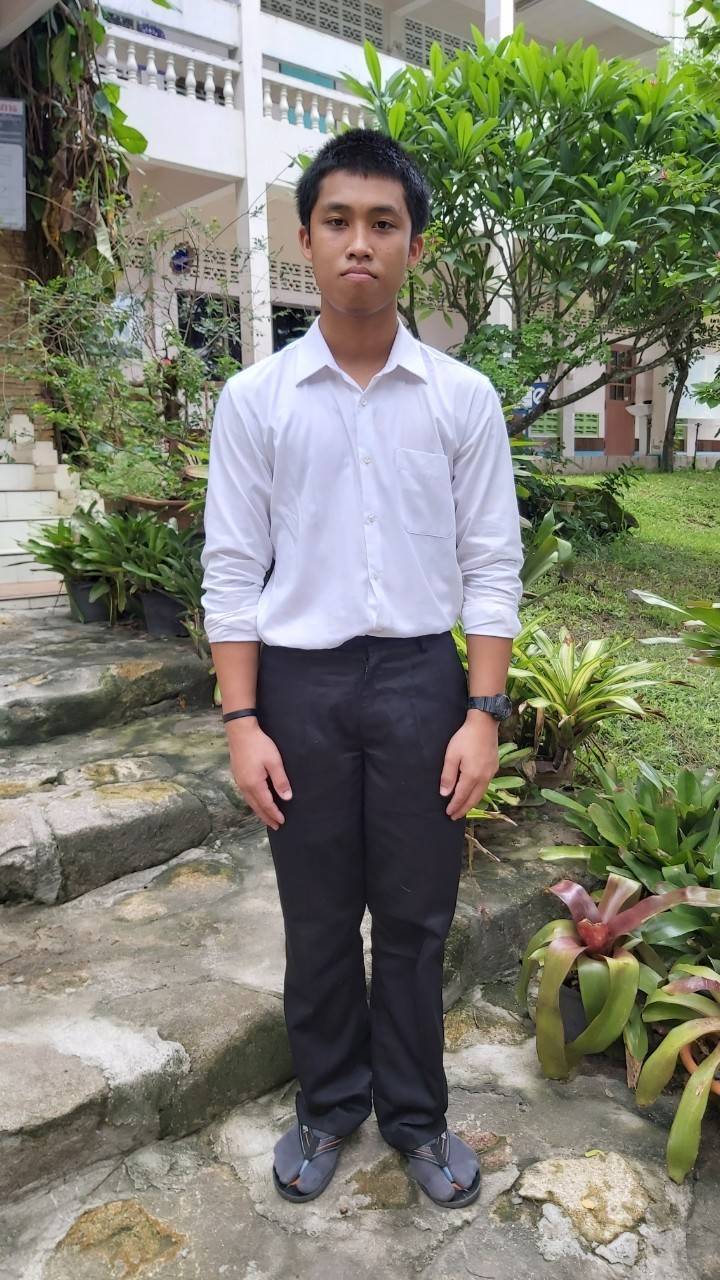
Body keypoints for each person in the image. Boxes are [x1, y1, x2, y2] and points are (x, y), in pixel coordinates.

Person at [200, 128, 523, 1209]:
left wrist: (483, 710)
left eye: (384, 223)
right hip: (300, 688)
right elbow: (231, 567)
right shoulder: (257, 399)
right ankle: (330, 1103)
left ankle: (417, 1116)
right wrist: (243, 722)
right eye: (337, 220)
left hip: (424, 685)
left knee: (419, 917)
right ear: (305, 238)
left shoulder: (461, 398)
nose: (359, 242)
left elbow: (492, 561)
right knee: (318, 912)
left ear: (413, 248)